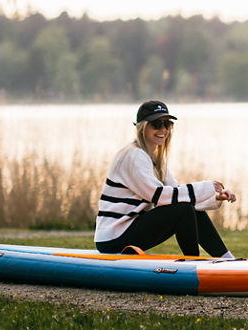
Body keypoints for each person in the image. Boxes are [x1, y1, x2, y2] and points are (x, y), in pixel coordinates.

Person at [94, 99, 237, 258]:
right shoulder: (134, 155)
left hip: (125, 232)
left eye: (167, 124)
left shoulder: (153, 158)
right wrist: (207, 187)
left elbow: (176, 195)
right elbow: (160, 196)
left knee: (186, 206)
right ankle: (193, 265)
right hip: (113, 238)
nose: (163, 129)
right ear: (142, 127)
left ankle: (227, 259)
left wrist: (215, 196)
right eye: (156, 124)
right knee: (183, 209)